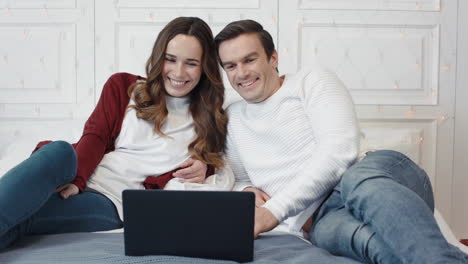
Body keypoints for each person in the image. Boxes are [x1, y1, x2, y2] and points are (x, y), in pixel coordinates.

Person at [214, 19, 468, 263]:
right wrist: (245, 192)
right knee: (366, 244)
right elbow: (240, 178)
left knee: (360, 183)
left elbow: (339, 152)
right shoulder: (233, 118)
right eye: (231, 66)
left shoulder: (310, 81)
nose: (242, 73)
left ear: (273, 58)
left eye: (250, 59)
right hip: (320, 219)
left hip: (372, 175)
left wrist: (273, 211)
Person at [0, 16, 232, 250]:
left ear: (205, 67)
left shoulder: (210, 120)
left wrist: (206, 167)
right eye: (170, 60)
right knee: (58, 151)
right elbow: (95, 136)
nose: (178, 72)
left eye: (191, 63)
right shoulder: (124, 87)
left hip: (111, 202)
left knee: (21, 218)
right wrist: (78, 181)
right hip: (76, 174)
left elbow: (222, 169)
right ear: (159, 56)